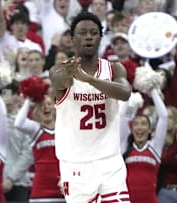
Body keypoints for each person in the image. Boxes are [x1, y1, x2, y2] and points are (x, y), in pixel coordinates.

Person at [49, 11, 131, 203]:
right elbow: (61, 81)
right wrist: (71, 75)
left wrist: (90, 80)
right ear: (72, 38)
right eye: (83, 32)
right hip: (76, 163)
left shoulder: (114, 69)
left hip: (110, 160)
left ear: (101, 38)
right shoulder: (60, 69)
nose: (88, 37)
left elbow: (125, 93)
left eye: (94, 33)